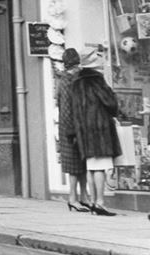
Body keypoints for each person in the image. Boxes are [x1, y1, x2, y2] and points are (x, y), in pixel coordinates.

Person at [61, 49, 122, 216]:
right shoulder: (96, 79)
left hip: (84, 131)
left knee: (92, 167)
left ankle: (92, 201)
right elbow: (109, 102)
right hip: (99, 129)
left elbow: (71, 108)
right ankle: (99, 203)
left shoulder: (76, 82)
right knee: (101, 166)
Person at [57, 48, 90, 212]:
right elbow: (66, 109)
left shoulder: (68, 79)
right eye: (77, 65)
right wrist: (72, 131)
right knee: (74, 166)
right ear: (74, 64)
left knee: (82, 164)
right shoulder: (67, 81)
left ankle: (84, 197)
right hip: (71, 128)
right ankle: (72, 198)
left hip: (75, 127)